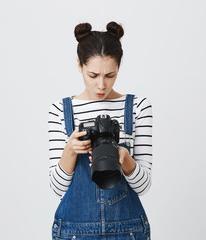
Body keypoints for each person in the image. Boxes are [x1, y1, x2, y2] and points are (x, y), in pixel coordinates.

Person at [47, 21, 153, 240]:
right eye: (93, 75)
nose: (102, 85)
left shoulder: (138, 107)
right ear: (79, 65)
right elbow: (58, 189)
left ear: (119, 68)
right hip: (74, 232)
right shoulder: (60, 110)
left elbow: (143, 187)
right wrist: (71, 150)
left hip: (128, 230)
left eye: (110, 75)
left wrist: (124, 159)